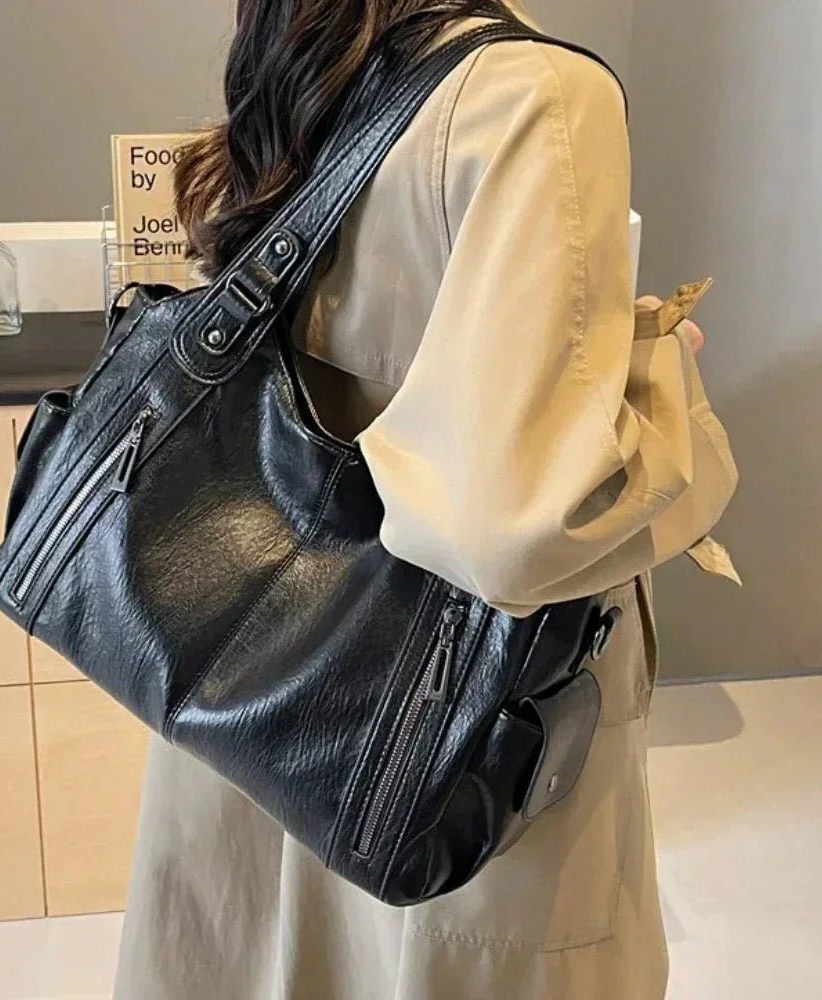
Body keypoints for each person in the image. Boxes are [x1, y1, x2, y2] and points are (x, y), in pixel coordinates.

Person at [114, 2, 738, 997]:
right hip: (449, 702)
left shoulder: (313, 37)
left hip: (258, 648)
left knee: (262, 939)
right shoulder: (534, 90)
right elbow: (519, 529)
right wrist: (665, 398)